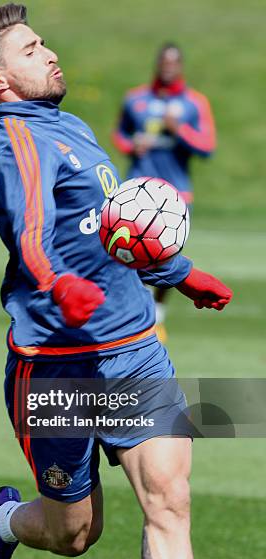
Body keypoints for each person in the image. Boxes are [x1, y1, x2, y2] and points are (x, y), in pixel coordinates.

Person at [0, 5, 232, 559]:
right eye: (30, 50)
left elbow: (111, 229)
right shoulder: (17, 143)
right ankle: (5, 521)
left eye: (43, 43)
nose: (49, 54)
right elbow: (30, 235)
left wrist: (179, 274)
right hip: (57, 367)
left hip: (135, 352)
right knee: (73, 534)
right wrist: (57, 285)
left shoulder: (71, 124)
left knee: (169, 497)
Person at [112, 43, 216, 342]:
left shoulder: (195, 103)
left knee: (166, 254)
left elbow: (207, 147)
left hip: (176, 192)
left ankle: (157, 316)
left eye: (174, 62)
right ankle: (129, 314)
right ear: (157, 63)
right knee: (125, 252)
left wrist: (179, 130)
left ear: (181, 65)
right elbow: (119, 133)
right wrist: (131, 145)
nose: (168, 66)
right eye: (164, 61)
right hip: (137, 191)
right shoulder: (136, 99)